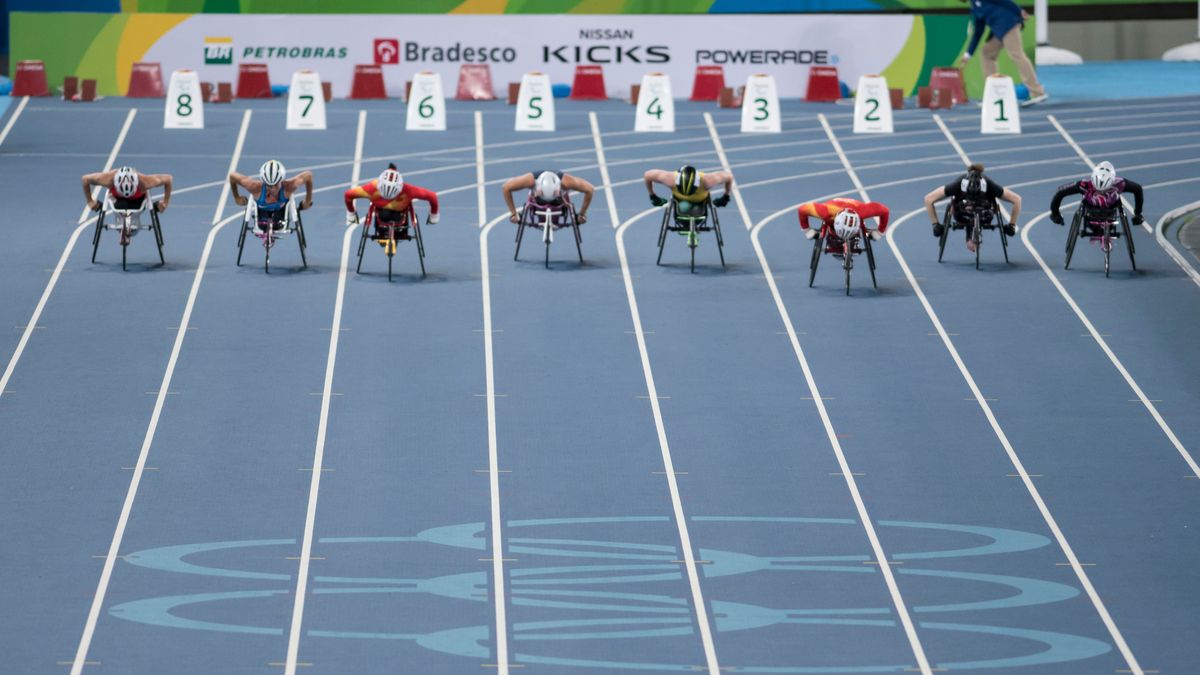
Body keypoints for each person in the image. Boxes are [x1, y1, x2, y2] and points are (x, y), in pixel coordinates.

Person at [960, 0, 1047, 106]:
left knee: (1016, 54)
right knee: (987, 53)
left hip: (1009, 23)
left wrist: (1019, 11)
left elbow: (1003, 0)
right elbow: (978, 32)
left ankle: (1037, 92)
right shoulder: (975, 7)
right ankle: (993, 94)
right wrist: (967, 54)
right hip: (999, 30)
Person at [923, 163, 1021, 251]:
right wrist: (935, 224)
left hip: (983, 214)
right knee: (970, 213)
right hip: (963, 213)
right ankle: (971, 236)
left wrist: (1011, 225)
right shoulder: (958, 183)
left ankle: (972, 236)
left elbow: (1017, 199)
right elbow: (928, 199)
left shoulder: (989, 184)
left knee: (978, 213)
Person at [344, 163, 439, 238]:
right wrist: (433, 216)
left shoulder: (408, 190)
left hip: (400, 215)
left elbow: (348, 195)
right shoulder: (372, 188)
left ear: (400, 187)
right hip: (383, 213)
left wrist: (351, 214)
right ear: (379, 186)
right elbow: (432, 197)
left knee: (393, 216)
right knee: (385, 215)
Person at [1049, 161, 1144, 235]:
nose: (1101, 193)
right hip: (1091, 219)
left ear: (1112, 182)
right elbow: (1060, 192)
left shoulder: (1120, 183)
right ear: (1093, 180)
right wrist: (1138, 213)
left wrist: (1055, 213)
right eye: (1098, 189)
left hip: (1110, 217)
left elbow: (1060, 192)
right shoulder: (1085, 184)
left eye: (1105, 190)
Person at [230, 159, 312, 230]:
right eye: (269, 185)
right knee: (263, 225)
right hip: (261, 214)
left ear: (281, 181)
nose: (273, 189)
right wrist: (236, 198)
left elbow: (308, 175)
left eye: (276, 185)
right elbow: (232, 176)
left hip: (281, 213)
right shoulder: (254, 187)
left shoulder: (289, 186)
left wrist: (307, 201)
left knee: (278, 224)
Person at [503, 170, 594, 224]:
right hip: (538, 203)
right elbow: (506, 188)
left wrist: (582, 214)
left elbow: (590, 189)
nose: (548, 204)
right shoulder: (530, 181)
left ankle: (550, 200)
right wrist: (514, 214)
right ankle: (545, 200)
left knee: (558, 202)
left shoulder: (566, 182)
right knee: (538, 202)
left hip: (559, 203)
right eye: (545, 201)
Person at [798, 197, 889, 244]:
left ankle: (852, 236)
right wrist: (806, 230)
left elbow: (885, 211)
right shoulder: (825, 212)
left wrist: (880, 231)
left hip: (856, 207)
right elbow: (802, 209)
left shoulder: (863, 211)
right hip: (832, 209)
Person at [83, 165, 172, 213]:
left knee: (136, 208)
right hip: (117, 199)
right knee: (121, 206)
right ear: (115, 184)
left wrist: (165, 202)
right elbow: (85, 179)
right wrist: (90, 201)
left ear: (137, 184)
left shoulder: (145, 182)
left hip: (138, 199)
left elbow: (168, 179)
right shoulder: (108, 179)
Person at [644, 165, 732, 213]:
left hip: (700, 203)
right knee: (683, 208)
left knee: (686, 208)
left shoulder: (707, 180)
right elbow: (647, 175)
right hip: (680, 202)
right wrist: (652, 196)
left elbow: (729, 177)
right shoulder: (670, 179)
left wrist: (725, 197)